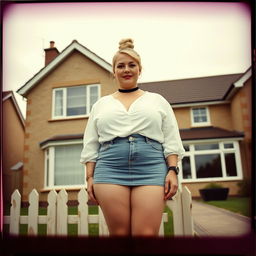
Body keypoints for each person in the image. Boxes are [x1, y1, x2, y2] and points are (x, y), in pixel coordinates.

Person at [80, 38, 185, 236]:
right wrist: (90, 177)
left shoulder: (157, 101)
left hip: (151, 167)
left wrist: (172, 170)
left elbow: (171, 138)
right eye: (120, 66)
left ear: (139, 69)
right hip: (110, 167)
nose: (126, 69)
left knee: (145, 234)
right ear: (114, 71)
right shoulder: (101, 105)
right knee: (119, 234)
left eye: (131, 65)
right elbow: (91, 144)